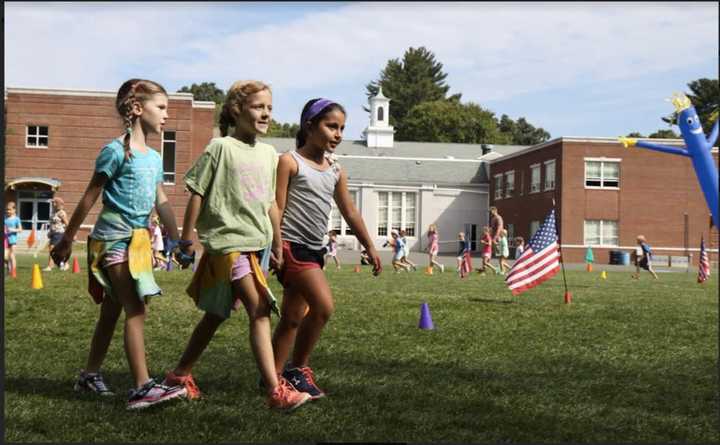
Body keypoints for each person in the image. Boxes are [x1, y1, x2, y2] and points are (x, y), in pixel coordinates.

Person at [162, 80, 311, 412]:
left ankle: (179, 374)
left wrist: (276, 241)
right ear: (236, 110)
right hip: (228, 244)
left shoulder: (269, 154)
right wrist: (187, 240)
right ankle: (276, 392)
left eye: (269, 108)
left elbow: (271, 203)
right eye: (259, 107)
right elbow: (197, 192)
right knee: (259, 310)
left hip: (256, 244)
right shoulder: (220, 147)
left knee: (216, 315)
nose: (265, 113)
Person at [50, 79, 187, 410]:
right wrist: (68, 238)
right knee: (136, 308)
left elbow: (162, 201)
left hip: (138, 244)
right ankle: (142, 388)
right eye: (162, 107)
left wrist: (177, 237)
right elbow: (89, 196)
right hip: (111, 239)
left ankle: (89, 374)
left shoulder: (154, 159)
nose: (166, 115)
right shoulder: (114, 151)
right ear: (138, 109)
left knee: (111, 314)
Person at [270, 98, 382, 400]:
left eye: (342, 128)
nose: (338, 133)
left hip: (316, 250)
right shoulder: (290, 162)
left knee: (293, 316)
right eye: (331, 126)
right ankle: (297, 370)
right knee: (323, 307)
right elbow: (277, 206)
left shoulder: (335, 170)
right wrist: (275, 244)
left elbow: (350, 211)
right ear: (310, 125)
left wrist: (370, 246)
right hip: (293, 248)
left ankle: (272, 379)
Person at [45, 197, 69, 271]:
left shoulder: (61, 213)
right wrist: (50, 232)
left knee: (52, 249)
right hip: (53, 234)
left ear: (57, 204)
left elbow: (67, 223)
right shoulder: (54, 212)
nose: (52, 204)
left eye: (54, 202)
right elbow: (52, 223)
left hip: (59, 233)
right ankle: (65, 264)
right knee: (58, 250)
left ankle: (50, 266)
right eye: (52, 202)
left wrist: (70, 234)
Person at [4, 202, 22, 275]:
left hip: (13, 240)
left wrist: (13, 230)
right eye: (7, 210)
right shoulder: (5, 218)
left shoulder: (16, 219)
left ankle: (13, 271)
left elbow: (20, 229)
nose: (8, 211)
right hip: (5, 240)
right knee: (5, 257)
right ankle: (9, 270)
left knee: (12, 255)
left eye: (10, 210)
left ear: (14, 210)